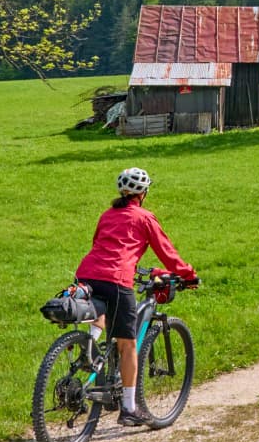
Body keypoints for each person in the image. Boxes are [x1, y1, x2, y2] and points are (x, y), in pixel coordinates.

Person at [73, 166, 197, 426]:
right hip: (117, 279)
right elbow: (166, 252)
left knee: (101, 310)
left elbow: (100, 244)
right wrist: (188, 275)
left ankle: (89, 348)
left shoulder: (107, 214)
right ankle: (129, 408)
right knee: (127, 343)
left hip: (86, 274)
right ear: (143, 193)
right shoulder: (144, 217)